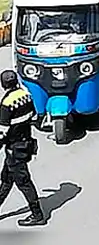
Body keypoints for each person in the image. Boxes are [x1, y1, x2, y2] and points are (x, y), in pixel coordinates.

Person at [0, 70, 45, 226]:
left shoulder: (6, 104)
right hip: (24, 145)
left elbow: (2, 132)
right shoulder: (26, 95)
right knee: (6, 179)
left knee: (23, 182)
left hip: (14, 150)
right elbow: (34, 116)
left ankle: (37, 214)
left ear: (3, 84)